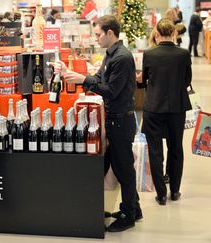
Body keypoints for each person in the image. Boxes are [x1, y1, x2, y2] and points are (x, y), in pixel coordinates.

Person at [55, 15, 141, 232]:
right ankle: (134, 208)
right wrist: (77, 76)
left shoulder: (121, 58)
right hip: (115, 120)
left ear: (110, 33)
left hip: (121, 120)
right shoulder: (111, 55)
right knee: (113, 166)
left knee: (124, 170)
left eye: (98, 34)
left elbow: (111, 91)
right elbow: (101, 80)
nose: (96, 39)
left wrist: (83, 80)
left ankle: (129, 215)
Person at [138, 18, 192, 206]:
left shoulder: (149, 54)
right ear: (174, 33)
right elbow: (187, 80)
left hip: (154, 107)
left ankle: (161, 194)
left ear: (157, 33)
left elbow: (144, 80)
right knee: (176, 148)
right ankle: (175, 190)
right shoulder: (184, 54)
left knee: (155, 151)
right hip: (177, 107)